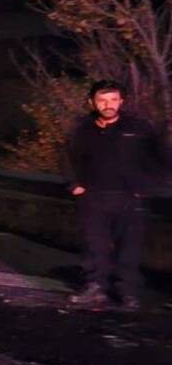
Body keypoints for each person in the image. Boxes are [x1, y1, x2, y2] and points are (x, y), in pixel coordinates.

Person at [64, 80, 169, 310]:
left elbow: (161, 158)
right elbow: (68, 158)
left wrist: (150, 187)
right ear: (92, 102)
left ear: (121, 101)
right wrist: (74, 184)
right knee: (94, 246)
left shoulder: (138, 128)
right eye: (102, 100)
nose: (108, 105)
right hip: (93, 197)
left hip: (131, 198)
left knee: (129, 248)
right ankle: (95, 287)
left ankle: (127, 292)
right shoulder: (82, 129)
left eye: (113, 100)